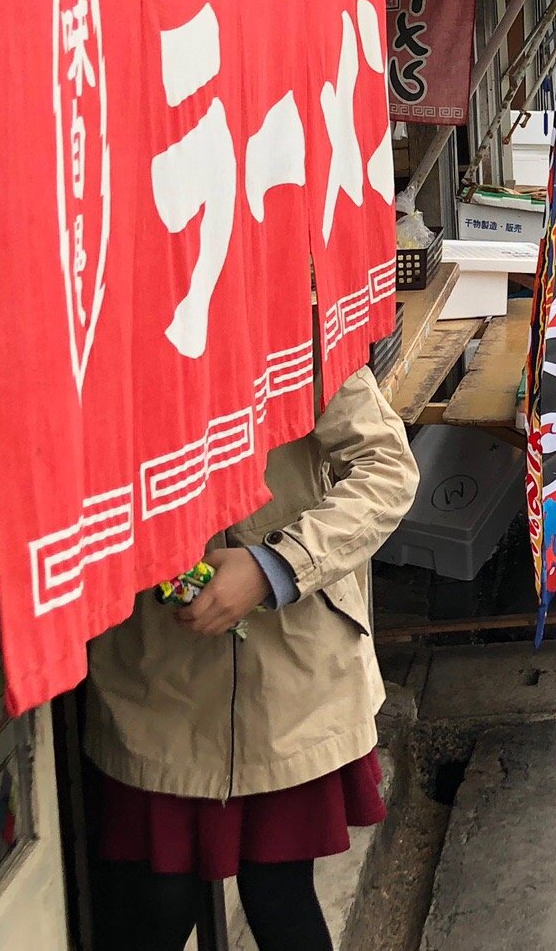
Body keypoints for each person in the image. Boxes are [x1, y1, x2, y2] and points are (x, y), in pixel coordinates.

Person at [84, 367, 419, 951]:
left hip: (291, 672)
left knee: (280, 891)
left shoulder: (291, 321)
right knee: (158, 903)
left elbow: (387, 470)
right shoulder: (107, 333)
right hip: (155, 672)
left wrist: (278, 566)